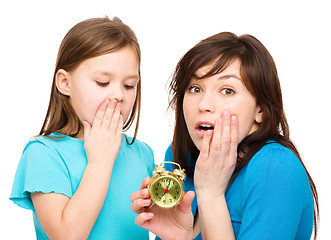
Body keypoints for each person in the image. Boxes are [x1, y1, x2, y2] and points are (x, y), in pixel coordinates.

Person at [130, 32, 319, 239]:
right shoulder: (181, 156)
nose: (204, 105)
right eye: (195, 88)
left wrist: (211, 195)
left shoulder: (274, 166)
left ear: (261, 110)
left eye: (227, 90)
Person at [10, 16, 155, 239]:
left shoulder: (142, 153)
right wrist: (100, 162)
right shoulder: (43, 153)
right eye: (102, 83)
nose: (118, 95)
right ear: (65, 83)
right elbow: (66, 235)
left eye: (129, 85)